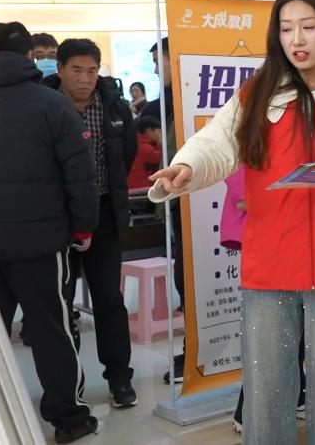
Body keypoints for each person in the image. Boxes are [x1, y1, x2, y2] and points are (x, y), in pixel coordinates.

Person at [147, 0, 315, 445]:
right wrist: (187, 166)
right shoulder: (259, 94)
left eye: (308, 27)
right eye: (287, 29)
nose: (297, 39)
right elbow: (217, 143)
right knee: (266, 393)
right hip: (269, 263)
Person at [0, 22, 100, 444]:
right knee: (51, 329)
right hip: (40, 243)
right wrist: (83, 226)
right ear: (29, 56)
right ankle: (68, 418)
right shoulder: (51, 104)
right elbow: (79, 172)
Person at [43, 38, 139, 409]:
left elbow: (126, 153)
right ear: (60, 70)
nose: (84, 78)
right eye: (76, 70)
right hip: (59, 219)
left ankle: (119, 377)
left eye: (91, 70)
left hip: (104, 215)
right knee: (61, 304)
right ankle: (69, 385)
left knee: (109, 299)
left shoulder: (114, 106)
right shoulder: (45, 105)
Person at [139, 36, 188, 383]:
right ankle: (192, 349)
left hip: (199, 201)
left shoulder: (187, 101)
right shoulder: (163, 104)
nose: (157, 69)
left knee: (192, 275)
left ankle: (197, 352)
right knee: (183, 275)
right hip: (178, 200)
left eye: (160, 61)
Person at [128, 115, 163, 190]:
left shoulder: (135, 142)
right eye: (159, 132)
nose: (161, 136)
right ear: (150, 131)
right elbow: (162, 157)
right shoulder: (144, 148)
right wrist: (160, 143)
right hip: (140, 190)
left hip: (134, 188)